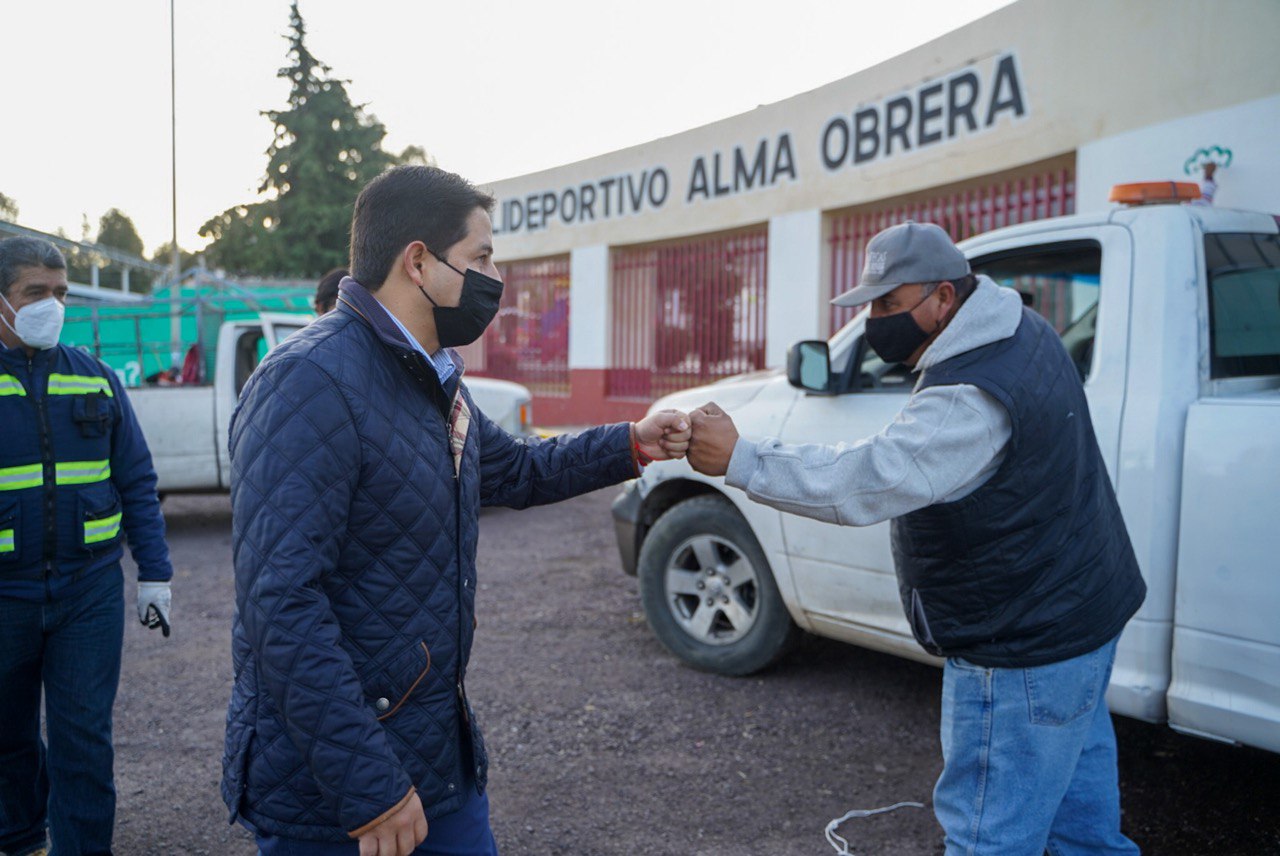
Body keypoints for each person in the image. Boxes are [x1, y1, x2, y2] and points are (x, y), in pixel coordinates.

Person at [221, 165, 690, 856]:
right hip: (336, 794)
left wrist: (629, 443)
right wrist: (367, 783)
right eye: (481, 257)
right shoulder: (308, 382)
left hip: (437, 757)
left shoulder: (432, 376)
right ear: (418, 262)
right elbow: (280, 601)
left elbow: (516, 468)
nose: (495, 277)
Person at [684, 221, 1146, 855]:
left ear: (944, 300)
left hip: (1022, 649)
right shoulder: (1022, 330)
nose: (876, 322)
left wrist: (742, 457)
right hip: (1083, 618)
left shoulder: (970, 394)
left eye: (888, 304)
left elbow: (866, 480)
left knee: (989, 837)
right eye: (869, 305)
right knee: (1082, 831)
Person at [0, 237, 174, 856]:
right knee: (8, 737)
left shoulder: (96, 380)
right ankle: (20, 839)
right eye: (35, 293)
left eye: (61, 293)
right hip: (5, 597)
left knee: (84, 743)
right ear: (2, 301)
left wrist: (155, 575)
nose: (52, 305)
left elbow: (137, 481)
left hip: (88, 593)